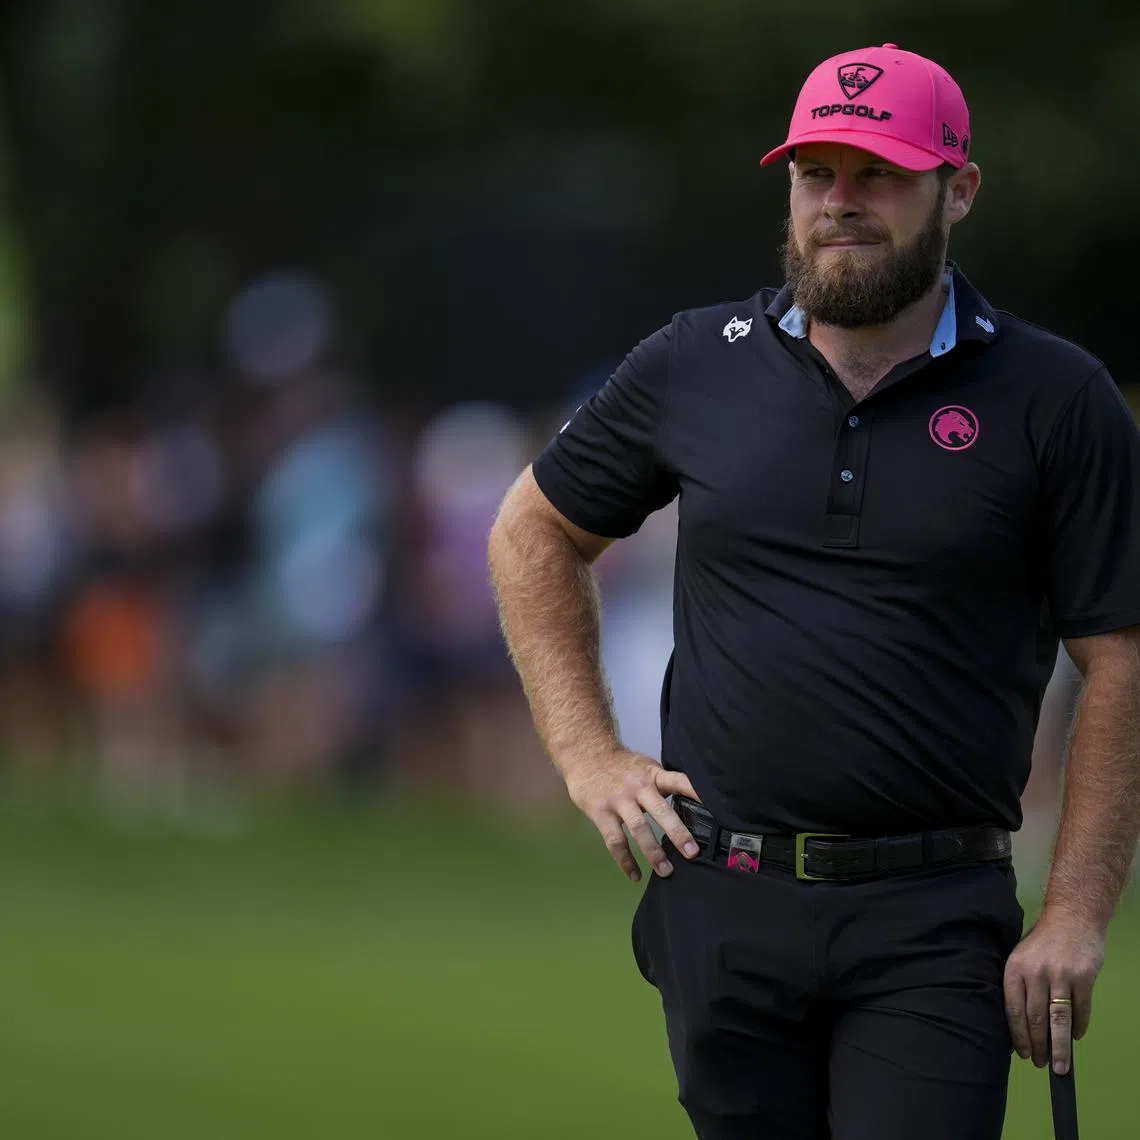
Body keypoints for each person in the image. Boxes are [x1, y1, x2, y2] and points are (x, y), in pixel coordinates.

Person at [487, 42, 1140, 1140]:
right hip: (723, 902)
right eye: (815, 173)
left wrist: (1075, 914)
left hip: (935, 916)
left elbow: (1120, 657)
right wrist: (588, 756)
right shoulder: (695, 361)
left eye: (877, 173)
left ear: (957, 189)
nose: (840, 202)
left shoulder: (1054, 395)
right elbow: (532, 531)